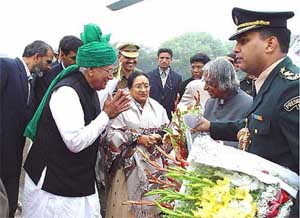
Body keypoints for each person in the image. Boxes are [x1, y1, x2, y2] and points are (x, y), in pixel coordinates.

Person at [193, 7, 299, 216]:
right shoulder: (269, 83)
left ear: (270, 44)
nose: (236, 49)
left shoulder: (291, 89)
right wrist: (211, 127)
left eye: (244, 41)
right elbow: (256, 127)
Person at [22, 23, 131, 218]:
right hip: (54, 184)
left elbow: (92, 128)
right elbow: (75, 142)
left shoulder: (89, 88)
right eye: (108, 71)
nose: (110, 77)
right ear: (90, 70)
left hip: (76, 178)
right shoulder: (67, 92)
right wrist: (106, 115)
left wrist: (108, 116)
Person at [105, 72, 169, 218]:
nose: (143, 90)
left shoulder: (158, 108)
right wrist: (137, 138)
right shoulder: (121, 108)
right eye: (138, 86)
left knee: (153, 206)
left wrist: (159, 137)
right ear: (129, 89)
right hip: (129, 167)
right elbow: (111, 135)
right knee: (129, 208)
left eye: (146, 86)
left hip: (153, 165)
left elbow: (168, 131)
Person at [0, 40, 53, 217]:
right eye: (48, 61)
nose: (48, 68)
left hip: (13, 157)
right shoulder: (7, 66)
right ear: (37, 57)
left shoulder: (32, 81)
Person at [202, 57, 252, 147]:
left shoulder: (249, 105)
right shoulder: (210, 103)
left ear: (223, 81)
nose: (205, 88)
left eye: (209, 83)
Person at [35, 35, 83, 105]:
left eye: (80, 58)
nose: (77, 62)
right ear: (62, 55)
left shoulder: (84, 73)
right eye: (73, 58)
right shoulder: (47, 76)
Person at [148, 48, 182, 120]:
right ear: (157, 59)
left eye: (167, 58)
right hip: (152, 114)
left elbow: (178, 98)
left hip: (170, 115)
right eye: (162, 58)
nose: (164, 60)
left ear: (171, 60)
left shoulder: (177, 78)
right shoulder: (148, 76)